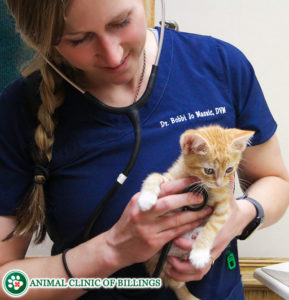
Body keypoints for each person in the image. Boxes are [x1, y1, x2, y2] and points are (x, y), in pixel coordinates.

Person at [0, 0, 289, 299]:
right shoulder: (17, 112)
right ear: (42, 39)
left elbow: (276, 182)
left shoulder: (219, 64)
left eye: (121, 22)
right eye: (79, 39)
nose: (113, 56)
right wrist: (111, 250)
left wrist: (240, 216)